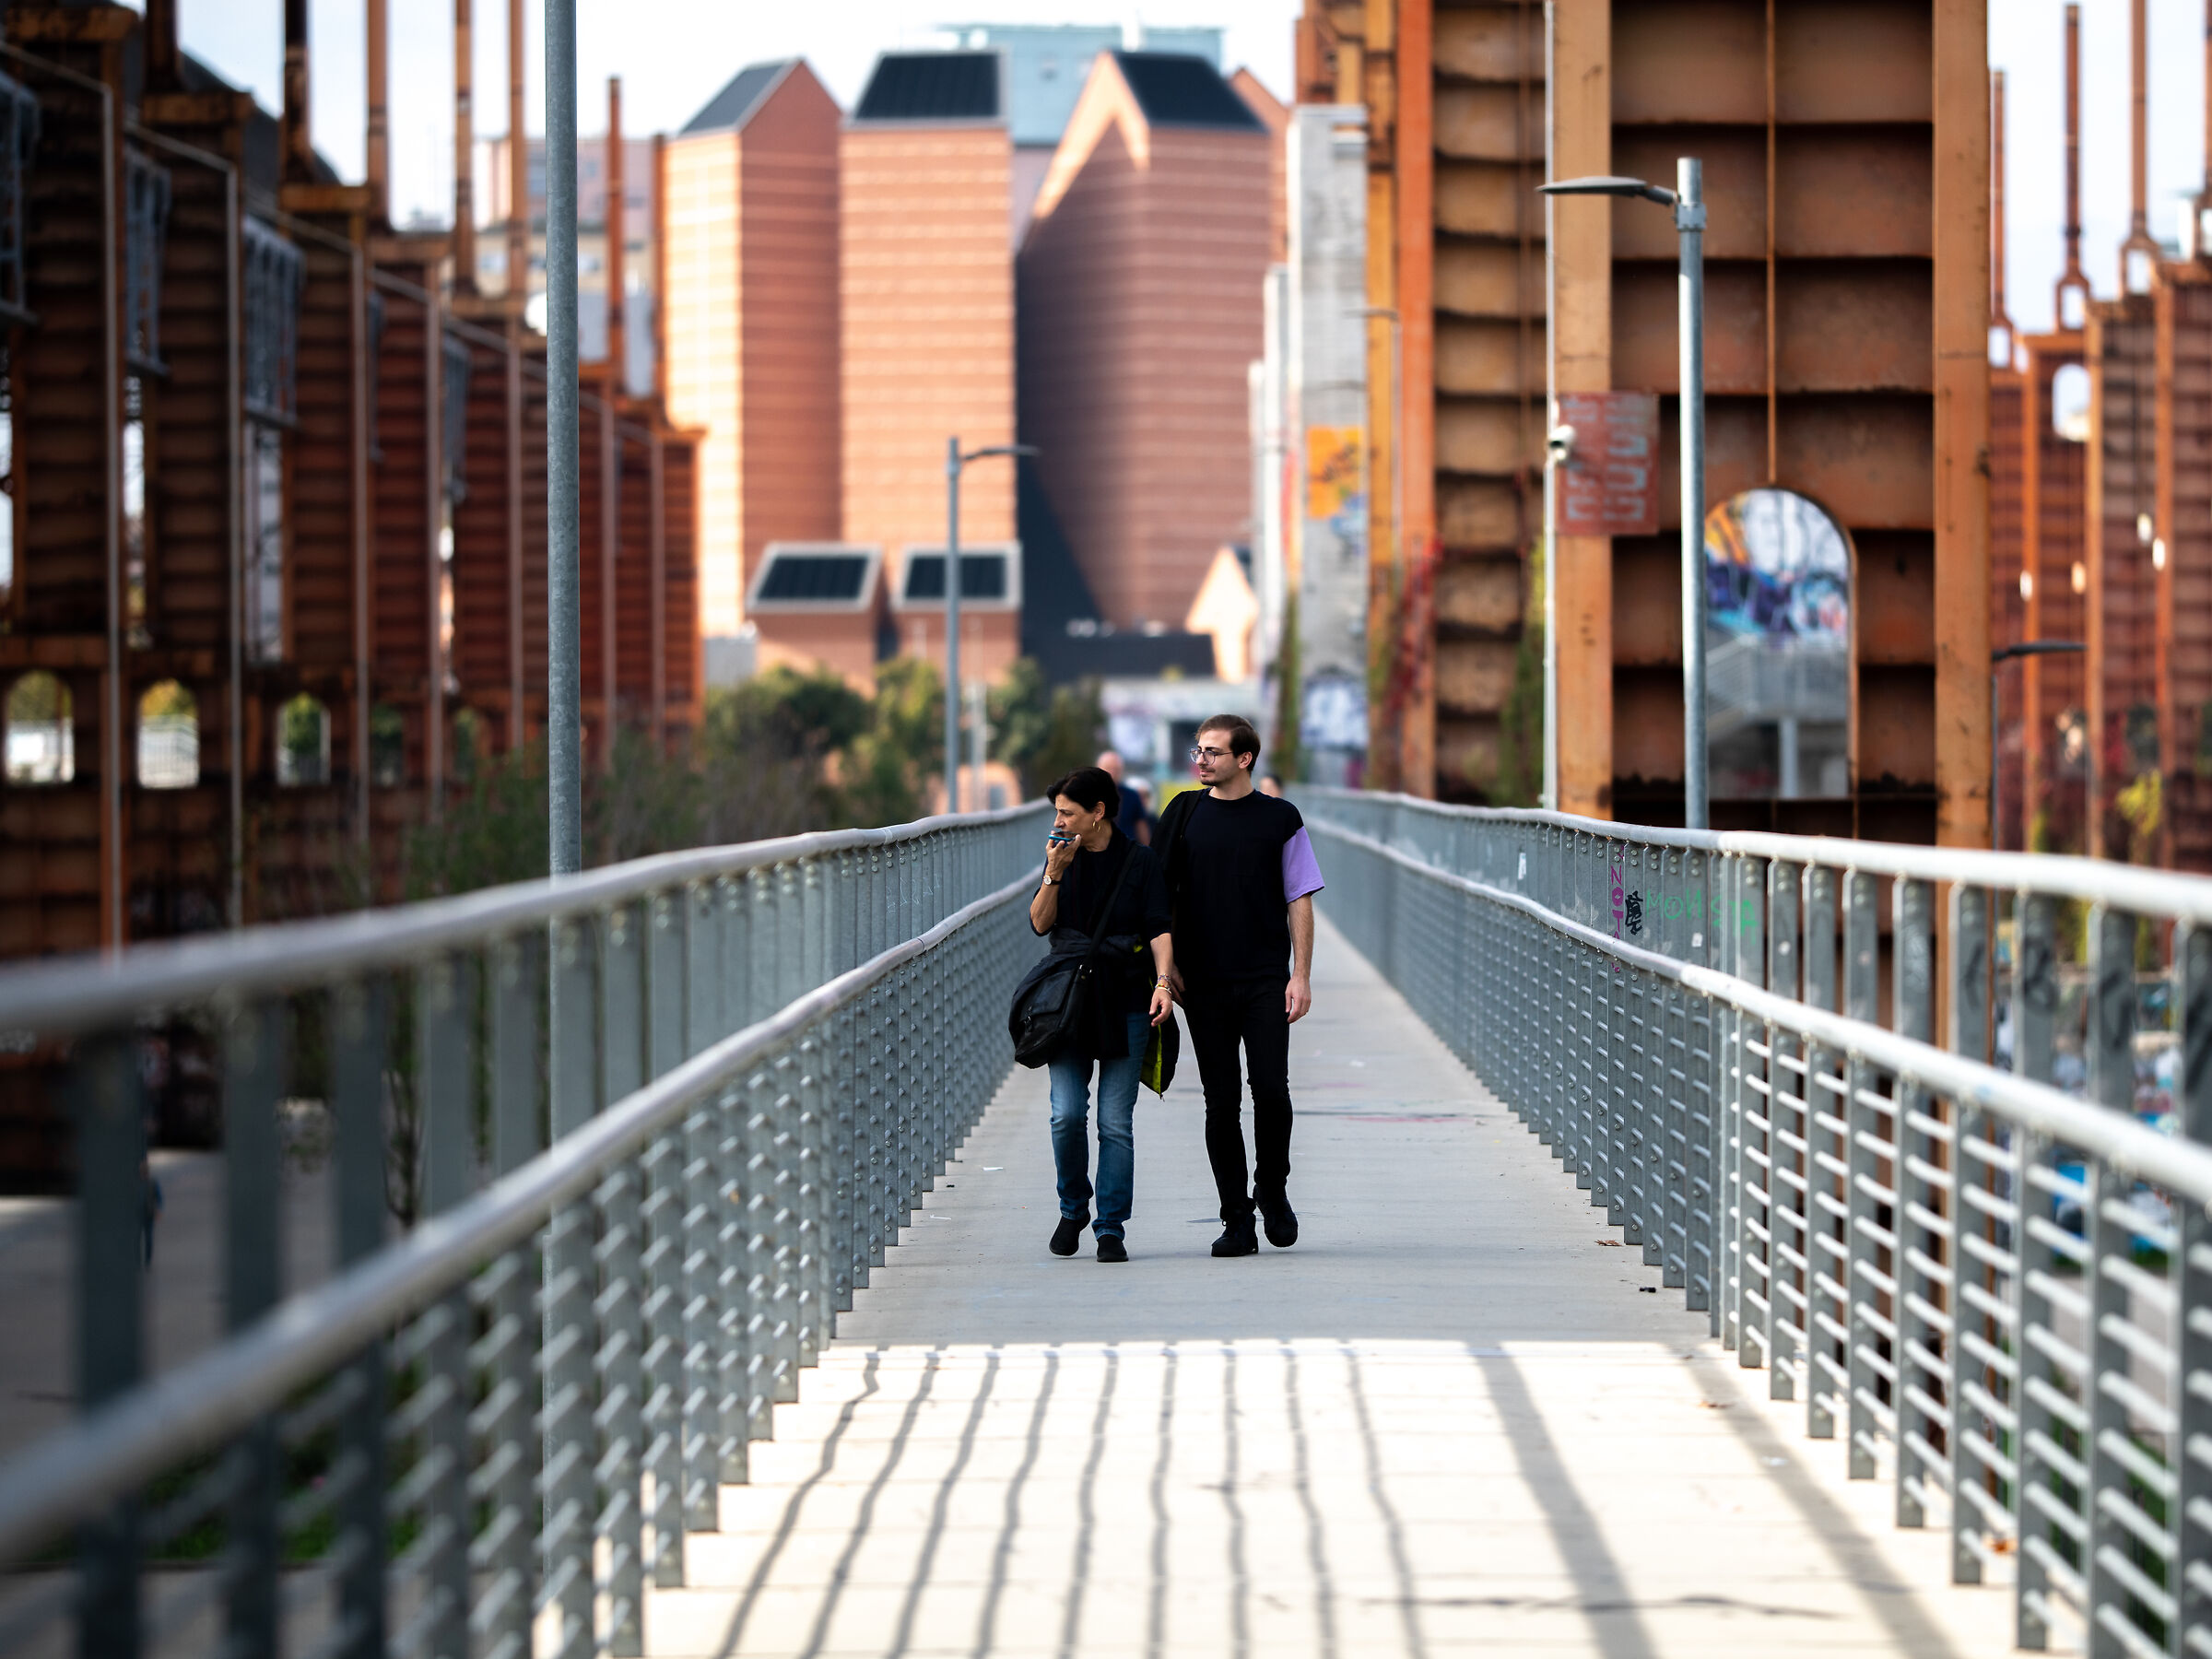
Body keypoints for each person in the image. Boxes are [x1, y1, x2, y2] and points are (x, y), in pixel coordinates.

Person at [1157, 715, 1323, 1257]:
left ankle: (1272, 1193)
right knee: (1220, 1101)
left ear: (1244, 758)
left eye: (1212, 753)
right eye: (1198, 750)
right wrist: (1166, 968)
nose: (1199, 760)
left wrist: (1300, 974)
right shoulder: (1183, 814)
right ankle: (1237, 1220)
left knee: (1271, 1092)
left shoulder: (1280, 818)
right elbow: (1160, 896)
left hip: (1264, 980)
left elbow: (1299, 895)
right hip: (1202, 981)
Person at [1030, 766, 1176, 1263]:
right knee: (1065, 1114)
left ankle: (1110, 1227)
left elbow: (1159, 926)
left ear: (1098, 812)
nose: (1059, 820)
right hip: (1070, 1000)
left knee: (1115, 1122)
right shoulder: (1060, 856)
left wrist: (1163, 984)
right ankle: (1074, 1208)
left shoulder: (1141, 862)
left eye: (1067, 812)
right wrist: (1054, 872)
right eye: (1056, 812)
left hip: (1126, 994)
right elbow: (1039, 923)